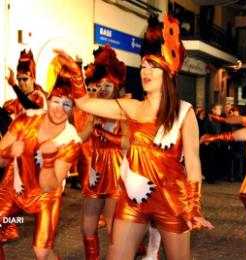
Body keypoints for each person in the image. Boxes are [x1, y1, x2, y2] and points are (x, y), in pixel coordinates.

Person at [56, 14, 213, 260]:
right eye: (143, 66)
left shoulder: (184, 112)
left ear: (169, 72)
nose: (145, 71)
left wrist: (193, 205)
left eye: (153, 66)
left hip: (172, 200)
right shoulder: (131, 107)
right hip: (133, 196)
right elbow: (85, 103)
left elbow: (193, 163)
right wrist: (77, 74)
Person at [0, 56, 82, 260]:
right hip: (15, 183)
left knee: (42, 251)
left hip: (45, 195)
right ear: (49, 99)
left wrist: (49, 160)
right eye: (56, 101)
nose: (59, 108)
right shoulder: (26, 119)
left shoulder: (70, 140)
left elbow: (49, 186)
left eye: (67, 104)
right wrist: (8, 152)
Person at [74, 44, 129, 259]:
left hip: (115, 170)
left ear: (116, 87)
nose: (104, 88)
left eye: (109, 84)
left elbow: (127, 142)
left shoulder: (123, 109)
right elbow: (81, 138)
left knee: (113, 229)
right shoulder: (93, 109)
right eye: (101, 84)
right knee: (87, 227)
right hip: (95, 169)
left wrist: (107, 135)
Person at [201, 104, 246, 247]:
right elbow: (239, 119)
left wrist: (214, 137)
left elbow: (241, 135)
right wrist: (220, 119)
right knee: (244, 194)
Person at [4, 49, 47, 118]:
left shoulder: (38, 97)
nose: (21, 82)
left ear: (33, 79)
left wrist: (14, 85)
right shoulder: (15, 102)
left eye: (25, 79)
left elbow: (32, 110)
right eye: (19, 79)